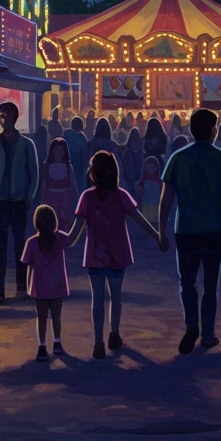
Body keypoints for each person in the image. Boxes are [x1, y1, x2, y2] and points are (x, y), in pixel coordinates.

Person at [158, 107, 221, 354]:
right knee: (210, 287)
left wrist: (161, 231)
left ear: (191, 130)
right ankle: (208, 334)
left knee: (187, 282)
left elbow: (166, 199)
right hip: (214, 229)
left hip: (185, 229)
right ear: (214, 131)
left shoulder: (178, 158)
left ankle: (191, 323)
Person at [67, 150, 160, 358]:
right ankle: (114, 334)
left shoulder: (87, 197)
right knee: (115, 297)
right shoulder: (121, 195)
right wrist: (157, 236)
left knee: (97, 299)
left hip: (94, 254)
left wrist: (58, 240)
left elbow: (75, 231)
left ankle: (98, 341)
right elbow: (139, 219)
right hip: (118, 253)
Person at [0, 102, 39, 304]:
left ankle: (21, 286)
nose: (3, 119)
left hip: (18, 201)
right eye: (1, 115)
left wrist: (28, 198)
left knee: (20, 245)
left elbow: (34, 173)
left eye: (7, 115)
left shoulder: (26, 144)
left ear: (15, 117)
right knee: (0, 246)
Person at [22, 204, 71, 359]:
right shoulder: (60, 238)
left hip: (39, 287)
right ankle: (57, 343)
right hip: (57, 285)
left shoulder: (31, 242)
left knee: (41, 317)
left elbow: (27, 263)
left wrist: (26, 287)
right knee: (56, 316)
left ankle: (42, 346)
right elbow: (73, 238)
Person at [41, 138, 78, 231]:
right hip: (50, 200)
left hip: (65, 201)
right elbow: (43, 185)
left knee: (64, 226)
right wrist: (41, 202)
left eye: (61, 150)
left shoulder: (68, 166)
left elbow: (73, 185)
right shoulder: (46, 165)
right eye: (56, 149)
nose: (58, 152)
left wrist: (77, 202)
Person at [63, 115, 90, 191]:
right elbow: (85, 154)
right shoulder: (82, 138)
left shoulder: (65, 135)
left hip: (66, 165)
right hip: (78, 167)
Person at [137, 154, 163, 224]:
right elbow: (138, 186)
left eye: (152, 167)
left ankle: (155, 220)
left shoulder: (159, 180)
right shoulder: (144, 179)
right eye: (148, 167)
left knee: (155, 210)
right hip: (145, 200)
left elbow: (162, 188)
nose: (150, 169)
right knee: (146, 210)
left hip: (156, 201)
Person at [121, 127, 144, 194]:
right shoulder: (126, 155)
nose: (135, 142)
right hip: (128, 184)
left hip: (139, 185)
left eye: (136, 139)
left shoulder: (142, 154)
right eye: (133, 139)